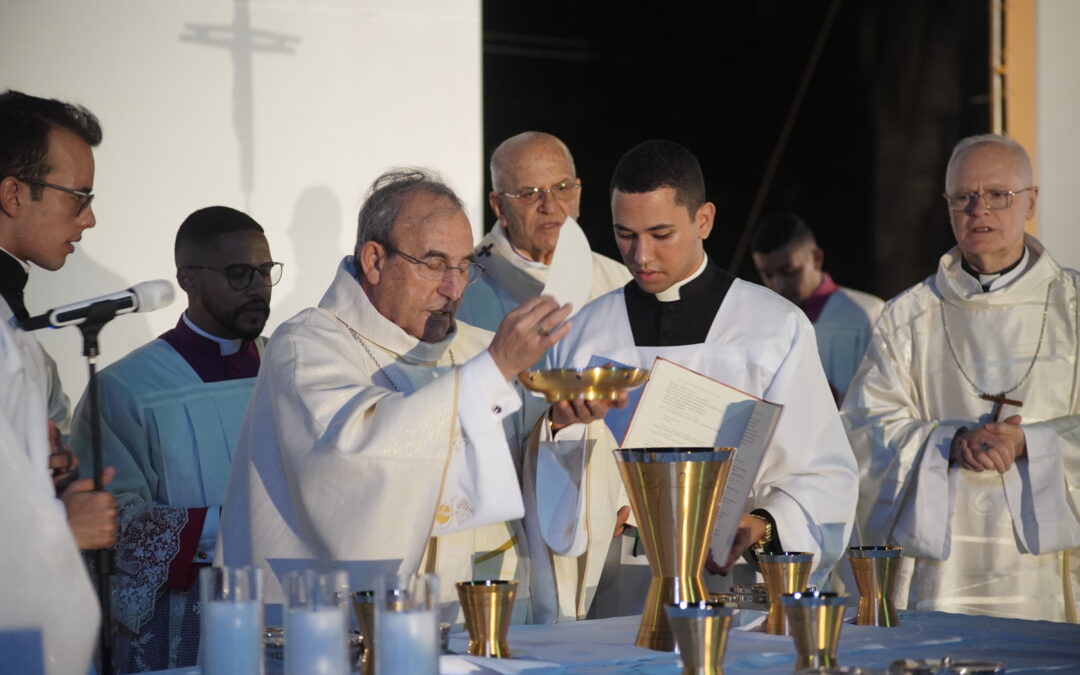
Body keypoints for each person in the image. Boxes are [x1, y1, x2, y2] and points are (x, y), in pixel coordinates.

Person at [219, 168, 601, 624]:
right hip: (377, 628)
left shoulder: (477, 349)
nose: (454, 289)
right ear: (375, 261)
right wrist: (495, 370)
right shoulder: (308, 346)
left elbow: (524, 470)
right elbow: (352, 459)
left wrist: (560, 424)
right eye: (435, 263)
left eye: (464, 266)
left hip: (500, 611)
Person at [528, 140, 859, 622]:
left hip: (732, 585)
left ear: (703, 220)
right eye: (625, 235)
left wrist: (762, 525)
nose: (641, 255)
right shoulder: (583, 332)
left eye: (661, 233)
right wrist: (566, 445)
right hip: (614, 588)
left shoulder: (772, 328)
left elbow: (823, 473)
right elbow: (541, 478)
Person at [841, 134, 1080, 621]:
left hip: (1048, 570)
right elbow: (863, 429)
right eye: (964, 198)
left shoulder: (1073, 308)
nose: (980, 210)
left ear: (1031, 201)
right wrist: (947, 442)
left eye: (998, 195)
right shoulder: (909, 316)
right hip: (941, 569)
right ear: (947, 208)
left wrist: (1031, 443)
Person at [69, 206, 277, 671]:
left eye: (265, 272)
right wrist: (230, 524)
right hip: (184, 623)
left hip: (282, 605)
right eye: (239, 274)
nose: (259, 288)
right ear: (188, 279)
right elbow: (109, 519)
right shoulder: (128, 388)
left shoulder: (291, 367)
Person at [0, 89, 109, 675]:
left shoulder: (12, 322)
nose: (89, 218)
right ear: (13, 193)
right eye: (79, 197)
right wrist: (62, 527)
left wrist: (57, 482)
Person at [457, 131, 630, 331]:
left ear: (578, 194)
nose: (549, 206)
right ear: (499, 207)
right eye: (529, 194)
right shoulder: (462, 288)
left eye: (562, 188)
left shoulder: (618, 281)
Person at [752, 213, 885, 403]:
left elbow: (882, 397)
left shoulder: (866, 314)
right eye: (767, 275)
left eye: (789, 272)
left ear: (816, 258)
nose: (778, 285)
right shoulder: (761, 321)